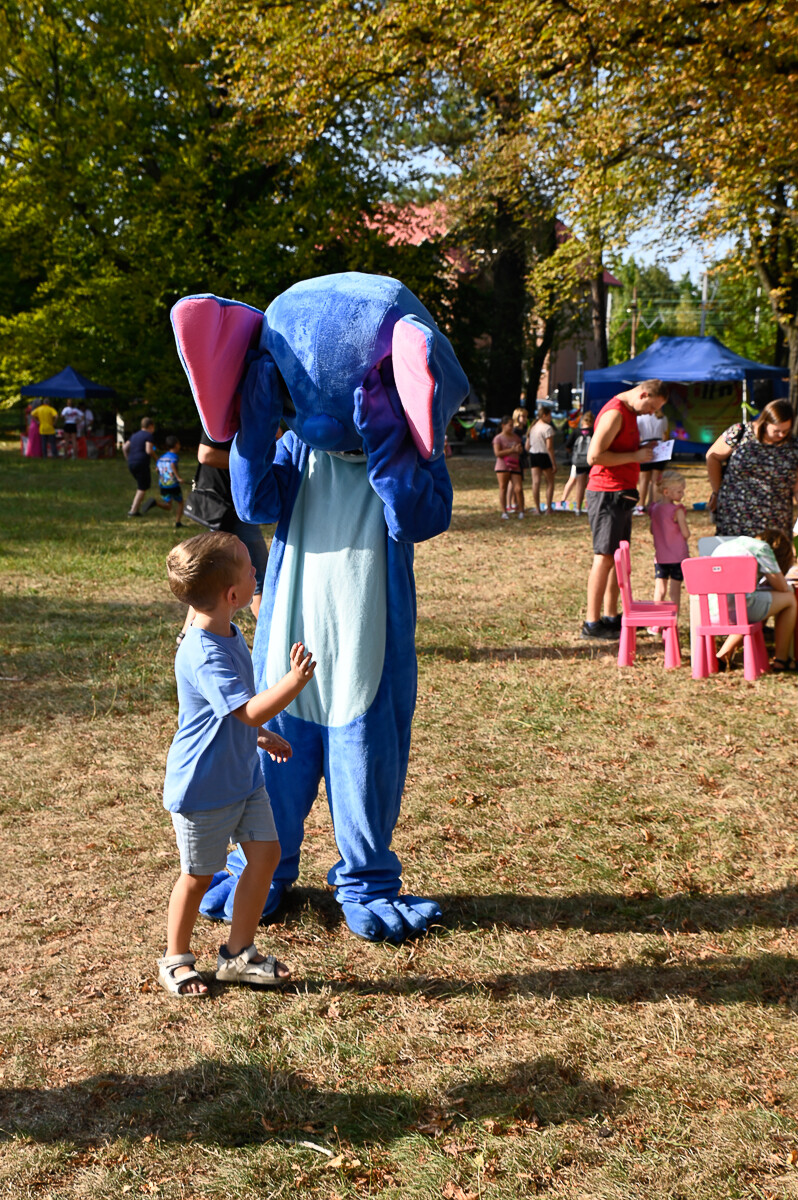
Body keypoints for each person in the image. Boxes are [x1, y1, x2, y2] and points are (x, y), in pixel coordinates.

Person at [160, 531, 316, 996]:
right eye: (251, 569)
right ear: (232, 594)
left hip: (242, 777)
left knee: (266, 856)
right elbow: (247, 709)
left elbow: (229, 716)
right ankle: (176, 959)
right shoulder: (206, 651)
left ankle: (237, 954)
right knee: (198, 875)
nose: (256, 573)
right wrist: (294, 681)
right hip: (203, 787)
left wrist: (259, 737)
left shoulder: (223, 627)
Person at [581, 379, 668, 639]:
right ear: (642, 394)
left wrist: (643, 451)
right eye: (652, 406)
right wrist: (635, 457)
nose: (652, 413)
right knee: (605, 556)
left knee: (618, 557)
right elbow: (593, 456)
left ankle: (610, 616)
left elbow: (620, 449)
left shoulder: (631, 412)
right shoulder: (615, 413)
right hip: (607, 492)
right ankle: (591, 623)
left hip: (621, 493)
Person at [176, 430, 271, 645]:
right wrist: (250, 463)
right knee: (258, 577)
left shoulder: (248, 413)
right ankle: (272, 638)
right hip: (227, 506)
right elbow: (206, 454)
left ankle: (186, 635)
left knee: (212, 575)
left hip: (236, 503)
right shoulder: (221, 414)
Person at [706, 399, 798, 538]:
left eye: (785, 431)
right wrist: (716, 491)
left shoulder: (793, 446)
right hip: (735, 519)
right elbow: (712, 457)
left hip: (775, 523)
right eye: (776, 431)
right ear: (765, 422)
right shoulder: (740, 433)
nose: (781, 435)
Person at [709, 527, 797, 672]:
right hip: (738, 611)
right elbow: (781, 586)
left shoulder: (728, 545)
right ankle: (782, 659)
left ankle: (723, 655)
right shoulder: (762, 548)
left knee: (759, 602)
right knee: (789, 599)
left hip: (713, 611)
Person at [648, 468, 690, 622]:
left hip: (660, 557)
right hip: (677, 556)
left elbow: (652, 530)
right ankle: (673, 620)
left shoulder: (654, 509)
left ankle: (656, 621)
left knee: (659, 589)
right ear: (667, 492)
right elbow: (686, 533)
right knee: (675, 591)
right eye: (679, 491)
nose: (682, 494)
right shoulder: (677, 510)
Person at [558, 410, 594, 513]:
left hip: (579, 462)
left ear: (582, 421)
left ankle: (578, 507)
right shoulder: (593, 431)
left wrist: (573, 453)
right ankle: (590, 506)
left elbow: (568, 446)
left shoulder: (576, 432)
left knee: (579, 485)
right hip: (590, 461)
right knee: (590, 484)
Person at [123, 417, 159, 516]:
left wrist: (128, 459)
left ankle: (134, 508)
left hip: (132, 463)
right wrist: (157, 461)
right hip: (142, 463)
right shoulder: (148, 435)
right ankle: (133, 511)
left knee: (141, 485)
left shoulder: (134, 435)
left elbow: (124, 448)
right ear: (151, 426)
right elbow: (149, 450)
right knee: (142, 487)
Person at [635, 408, 669, 511]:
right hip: (660, 447)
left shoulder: (640, 417)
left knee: (643, 480)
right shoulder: (663, 417)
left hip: (645, 446)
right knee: (656, 480)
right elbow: (665, 434)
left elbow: (638, 434)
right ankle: (654, 505)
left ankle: (640, 505)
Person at [525, 404, 557, 514]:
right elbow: (549, 447)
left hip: (534, 455)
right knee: (550, 482)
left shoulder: (532, 428)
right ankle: (548, 508)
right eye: (549, 415)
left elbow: (527, 446)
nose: (551, 418)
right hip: (544, 455)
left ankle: (537, 509)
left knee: (536, 482)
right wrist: (553, 463)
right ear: (544, 415)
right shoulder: (547, 428)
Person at [492, 414, 525, 519]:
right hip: (503, 466)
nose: (512, 427)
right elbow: (497, 453)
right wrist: (511, 450)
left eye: (512, 425)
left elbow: (521, 450)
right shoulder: (498, 438)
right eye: (510, 425)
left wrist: (519, 450)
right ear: (503, 425)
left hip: (515, 465)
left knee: (518, 488)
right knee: (503, 488)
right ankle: (504, 511)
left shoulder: (516, 437)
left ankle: (521, 510)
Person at [154, 435, 185, 526]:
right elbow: (172, 465)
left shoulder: (161, 458)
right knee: (180, 502)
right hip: (173, 484)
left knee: (168, 506)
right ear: (176, 445)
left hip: (163, 484)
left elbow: (157, 469)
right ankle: (178, 522)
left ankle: (155, 503)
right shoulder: (174, 457)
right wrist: (178, 478)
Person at [507, 405, 529, 512]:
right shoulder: (514, 431)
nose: (525, 419)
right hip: (516, 458)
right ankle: (510, 503)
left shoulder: (524, 430)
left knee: (519, 481)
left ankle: (515, 502)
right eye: (523, 417)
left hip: (523, 456)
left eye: (526, 417)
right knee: (513, 481)